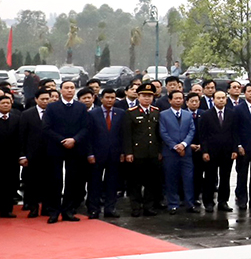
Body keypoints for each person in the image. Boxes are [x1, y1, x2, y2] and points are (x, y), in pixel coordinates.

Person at [41, 80, 90, 223]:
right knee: (55, 180)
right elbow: (46, 128)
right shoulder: (52, 107)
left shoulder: (80, 107)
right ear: (61, 90)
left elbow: (86, 127)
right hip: (56, 147)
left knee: (72, 180)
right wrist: (62, 140)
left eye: (72, 88)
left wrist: (74, 140)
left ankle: (68, 210)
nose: (69, 90)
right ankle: (54, 211)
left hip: (75, 147)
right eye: (66, 88)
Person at [122, 82, 163, 217]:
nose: (147, 98)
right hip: (137, 153)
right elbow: (127, 135)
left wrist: (159, 151)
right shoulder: (131, 113)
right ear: (138, 96)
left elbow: (158, 134)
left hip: (152, 153)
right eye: (144, 96)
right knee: (135, 182)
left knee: (151, 182)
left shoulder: (156, 111)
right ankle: (136, 207)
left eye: (150, 96)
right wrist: (128, 152)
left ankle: (148, 206)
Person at [85, 88, 125, 219]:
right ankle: (93, 209)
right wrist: (90, 154)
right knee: (94, 182)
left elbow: (123, 135)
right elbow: (88, 136)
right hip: (97, 154)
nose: (110, 100)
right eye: (107, 97)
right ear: (101, 98)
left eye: (112, 98)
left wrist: (123, 152)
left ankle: (110, 208)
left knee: (112, 182)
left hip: (114, 154)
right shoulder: (93, 114)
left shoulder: (120, 113)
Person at [197, 90, 239, 212]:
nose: (221, 100)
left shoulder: (232, 114)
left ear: (226, 99)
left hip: (227, 151)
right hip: (211, 152)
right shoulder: (206, 115)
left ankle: (223, 201)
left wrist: (235, 149)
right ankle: (208, 202)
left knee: (225, 177)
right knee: (210, 177)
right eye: (218, 98)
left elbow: (235, 133)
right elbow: (203, 135)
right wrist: (204, 151)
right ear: (214, 100)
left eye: (223, 98)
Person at [159, 90, 197, 214]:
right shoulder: (163, 115)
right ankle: (173, 204)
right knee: (171, 178)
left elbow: (191, 130)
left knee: (188, 178)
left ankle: (189, 203)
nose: (178, 100)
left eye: (181, 98)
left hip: (186, 152)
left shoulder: (187, 114)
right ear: (170, 100)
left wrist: (184, 144)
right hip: (170, 152)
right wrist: (175, 146)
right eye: (176, 98)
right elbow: (163, 132)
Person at [18, 88, 51, 217]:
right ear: (36, 100)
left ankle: (47, 208)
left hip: (50, 154)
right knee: (32, 183)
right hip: (32, 154)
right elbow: (22, 136)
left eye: (47, 99)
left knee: (49, 182)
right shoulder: (27, 114)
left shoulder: (53, 113)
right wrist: (22, 155)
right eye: (42, 99)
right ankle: (33, 207)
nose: (45, 102)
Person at [0, 94, 20, 218]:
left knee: (9, 184)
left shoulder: (17, 118)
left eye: (8, 103)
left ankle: (7, 210)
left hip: (12, 158)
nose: (6, 105)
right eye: (3, 103)